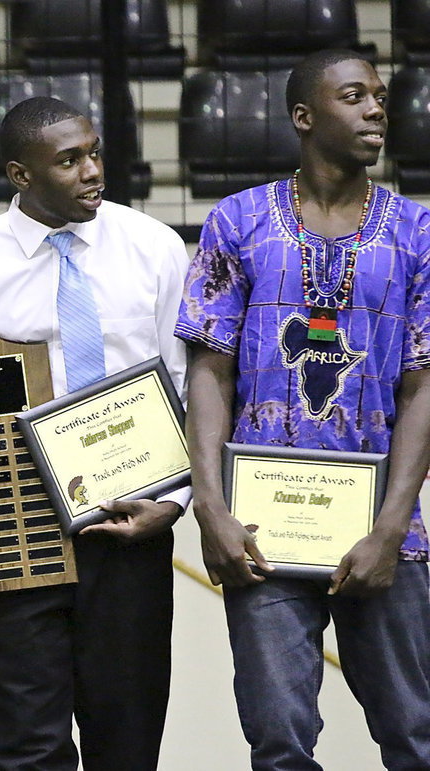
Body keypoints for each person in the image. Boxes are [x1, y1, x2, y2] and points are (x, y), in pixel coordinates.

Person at [176, 49, 430, 769]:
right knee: (279, 742)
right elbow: (210, 372)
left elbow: (423, 386)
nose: (376, 109)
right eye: (354, 96)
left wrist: (390, 528)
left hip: (384, 528)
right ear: (304, 116)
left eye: (380, 97)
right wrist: (210, 509)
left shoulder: (417, 232)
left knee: (417, 737)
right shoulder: (237, 221)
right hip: (261, 531)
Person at [0, 97, 190, 770]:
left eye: (94, 153)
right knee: (26, 753)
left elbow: (187, 386)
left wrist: (174, 501)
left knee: (127, 748)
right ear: (21, 174)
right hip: (16, 536)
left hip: (132, 526)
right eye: (69, 161)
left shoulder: (155, 247)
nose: (92, 171)